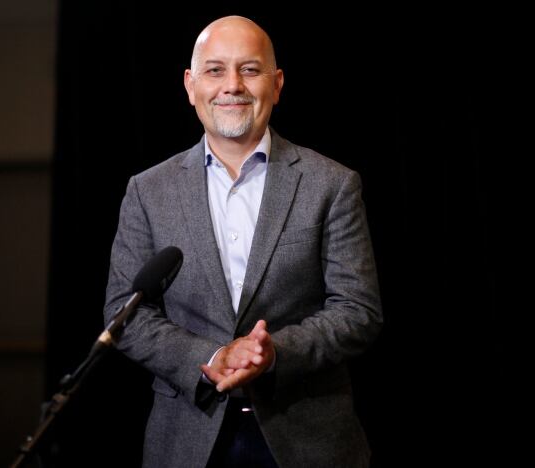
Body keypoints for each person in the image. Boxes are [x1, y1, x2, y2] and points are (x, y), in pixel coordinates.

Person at [104, 15, 382, 468]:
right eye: (215, 70)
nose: (232, 85)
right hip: (186, 442)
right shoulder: (147, 191)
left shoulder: (332, 184)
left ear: (276, 83)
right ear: (191, 86)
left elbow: (358, 310)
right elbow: (125, 314)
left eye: (249, 70)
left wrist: (274, 354)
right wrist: (211, 355)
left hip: (308, 441)